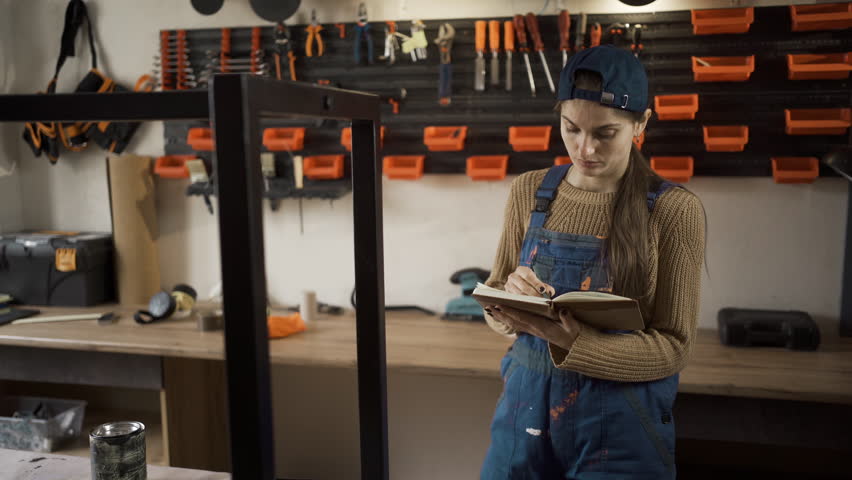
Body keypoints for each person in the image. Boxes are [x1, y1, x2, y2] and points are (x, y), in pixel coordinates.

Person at [479, 45, 706, 479]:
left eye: (605, 133)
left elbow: (674, 347)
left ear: (641, 123)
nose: (585, 148)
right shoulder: (530, 191)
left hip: (620, 430)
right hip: (523, 418)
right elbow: (495, 299)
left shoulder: (673, 210)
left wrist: (575, 342)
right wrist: (505, 301)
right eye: (571, 129)